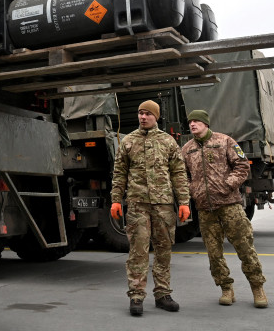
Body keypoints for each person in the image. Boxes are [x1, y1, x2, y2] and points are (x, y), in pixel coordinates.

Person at [110, 100, 190, 316]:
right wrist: (116, 199)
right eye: (140, 113)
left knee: (164, 250)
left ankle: (163, 294)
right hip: (137, 205)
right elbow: (119, 173)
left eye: (147, 114)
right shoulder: (128, 142)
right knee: (138, 251)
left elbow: (179, 174)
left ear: (156, 117)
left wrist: (184, 202)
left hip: (163, 205)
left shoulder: (168, 142)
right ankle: (136, 296)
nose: (143, 117)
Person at [181, 109, 268, 308]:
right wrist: (192, 190)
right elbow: (182, 175)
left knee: (245, 247)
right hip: (205, 209)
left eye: (196, 121)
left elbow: (242, 165)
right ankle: (226, 289)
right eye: (190, 121)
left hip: (230, 206)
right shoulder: (186, 149)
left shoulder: (225, 141)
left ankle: (257, 288)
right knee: (214, 253)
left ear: (206, 123)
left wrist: (228, 184)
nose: (192, 124)